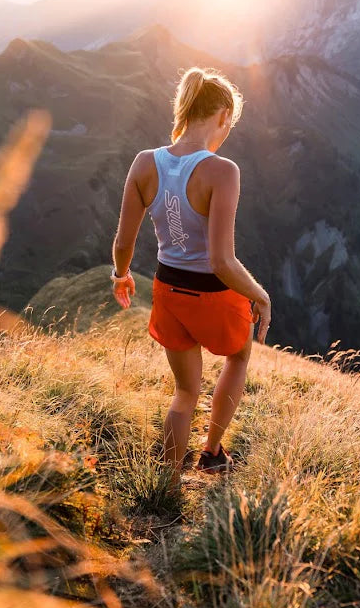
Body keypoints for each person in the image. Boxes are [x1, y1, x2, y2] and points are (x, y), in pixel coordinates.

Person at [110, 66, 271, 485]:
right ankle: (212, 453)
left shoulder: (145, 163)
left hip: (167, 290)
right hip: (214, 294)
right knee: (237, 356)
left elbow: (124, 241)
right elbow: (222, 261)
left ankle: (166, 483)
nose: (228, 131)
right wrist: (259, 294)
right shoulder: (222, 171)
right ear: (221, 116)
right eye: (229, 123)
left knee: (185, 392)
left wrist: (121, 275)